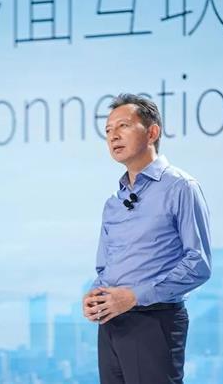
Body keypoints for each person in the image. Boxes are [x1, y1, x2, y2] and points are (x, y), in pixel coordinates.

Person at [82, 93, 212, 384]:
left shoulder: (180, 187)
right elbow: (104, 268)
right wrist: (95, 295)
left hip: (155, 320)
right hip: (112, 324)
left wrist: (135, 296)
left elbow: (199, 263)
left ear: (152, 132)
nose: (113, 136)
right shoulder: (113, 203)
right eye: (108, 130)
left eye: (123, 126)